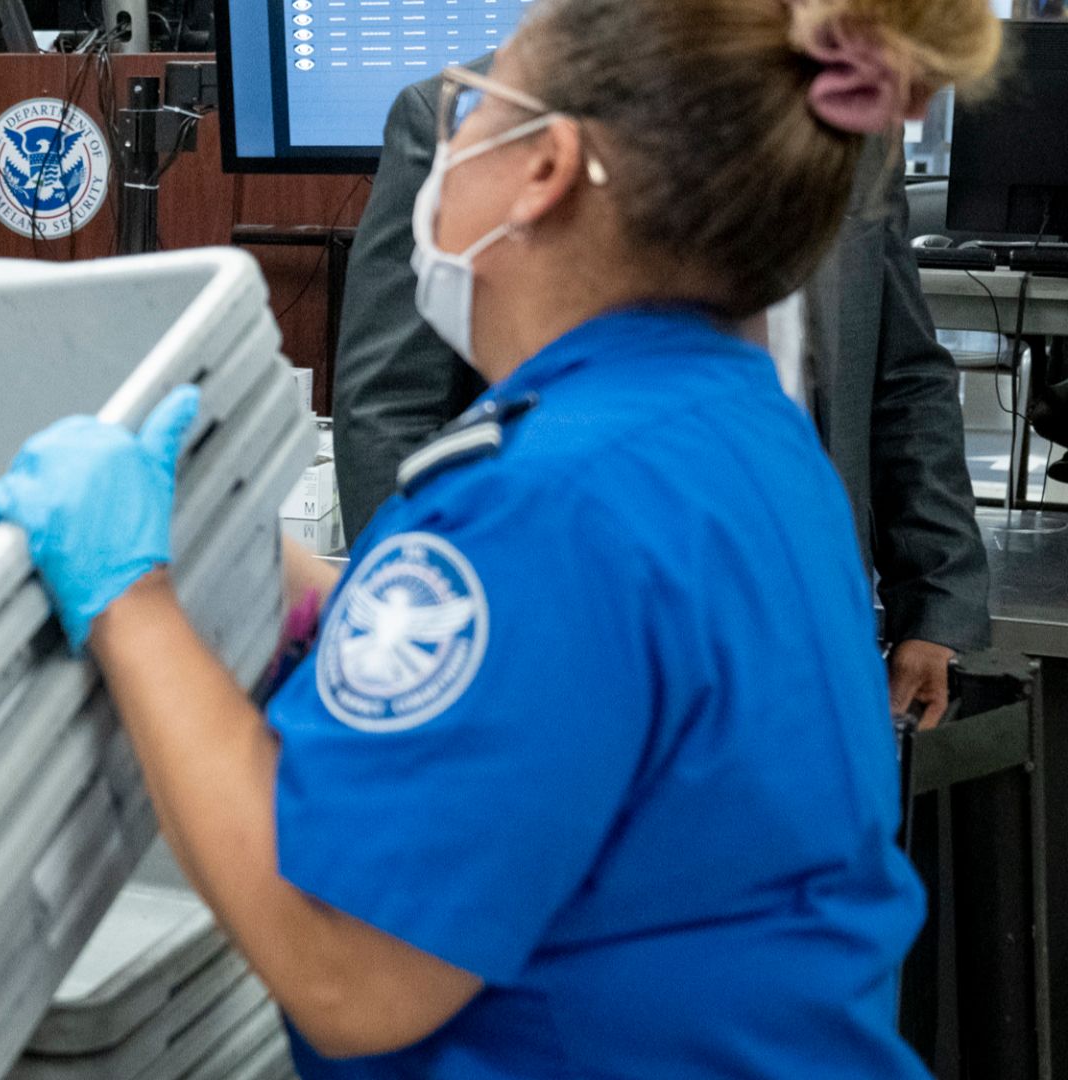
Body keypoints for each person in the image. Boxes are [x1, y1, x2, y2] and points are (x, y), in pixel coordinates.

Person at [0, 0, 999, 1075]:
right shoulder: (734, 428)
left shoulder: (541, 503)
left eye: (472, 107)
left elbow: (346, 968)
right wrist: (268, 576)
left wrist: (129, 600)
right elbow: (569, 694)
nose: (446, 137)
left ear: (544, 168)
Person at [334, 61, 991, 729]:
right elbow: (389, 404)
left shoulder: (844, 126)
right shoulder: (482, 117)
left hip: (803, 614)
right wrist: (416, 630)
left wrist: (935, 601)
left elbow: (901, 375)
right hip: (561, 626)